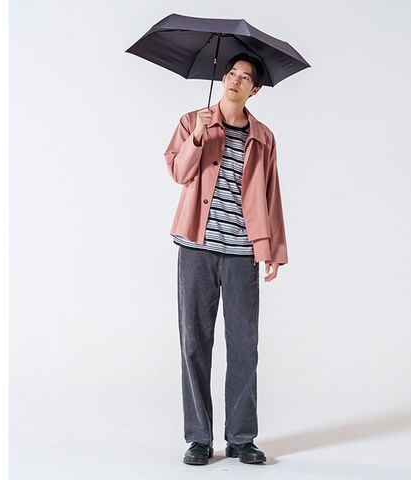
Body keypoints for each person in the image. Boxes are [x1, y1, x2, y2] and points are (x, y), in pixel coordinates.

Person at [164, 52, 288, 466]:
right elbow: (179, 173)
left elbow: (271, 193)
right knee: (194, 343)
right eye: (231, 73)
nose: (235, 80)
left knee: (244, 346)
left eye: (244, 77)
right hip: (195, 248)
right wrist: (199, 136)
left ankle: (240, 437)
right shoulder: (192, 121)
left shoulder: (264, 138)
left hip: (240, 252)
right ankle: (199, 438)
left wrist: (273, 250)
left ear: (255, 90)